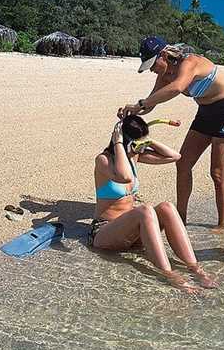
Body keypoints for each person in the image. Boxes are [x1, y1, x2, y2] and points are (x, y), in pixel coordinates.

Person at [119, 36, 224, 232]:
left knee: (218, 173)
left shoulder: (190, 62)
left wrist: (141, 104)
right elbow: (151, 103)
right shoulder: (163, 73)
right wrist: (133, 110)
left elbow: (178, 87)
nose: (152, 69)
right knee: (183, 163)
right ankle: (181, 217)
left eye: (152, 64)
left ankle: (222, 224)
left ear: (163, 55)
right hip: (205, 113)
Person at [90, 115, 216, 291]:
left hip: (133, 235)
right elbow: (124, 176)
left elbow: (175, 156)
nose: (139, 147)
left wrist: (149, 142)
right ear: (125, 141)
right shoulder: (103, 160)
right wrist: (118, 143)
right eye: (136, 143)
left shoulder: (134, 157)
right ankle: (170, 274)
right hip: (105, 232)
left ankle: (195, 268)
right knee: (145, 210)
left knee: (166, 207)